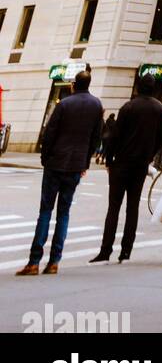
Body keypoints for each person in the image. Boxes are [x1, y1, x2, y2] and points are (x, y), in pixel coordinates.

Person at [16, 71, 102, 276]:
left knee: (45, 211)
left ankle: (34, 261)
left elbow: (50, 133)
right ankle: (54, 261)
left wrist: (45, 158)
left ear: (74, 84)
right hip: (75, 165)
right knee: (64, 213)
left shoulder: (64, 104)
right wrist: (85, 163)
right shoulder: (96, 105)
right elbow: (95, 138)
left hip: (56, 163)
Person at [91, 74, 162, 264]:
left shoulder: (129, 107)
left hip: (122, 162)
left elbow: (114, 136)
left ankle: (105, 250)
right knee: (132, 207)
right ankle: (126, 251)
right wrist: (150, 154)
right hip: (140, 164)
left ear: (138, 87)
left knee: (114, 207)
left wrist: (109, 160)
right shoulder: (158, 108)